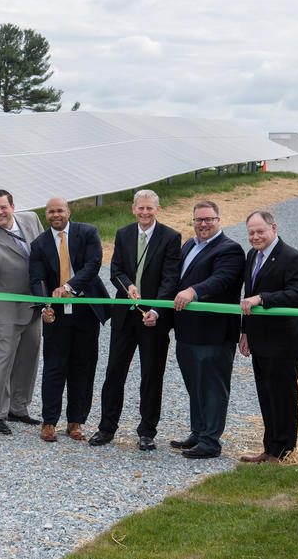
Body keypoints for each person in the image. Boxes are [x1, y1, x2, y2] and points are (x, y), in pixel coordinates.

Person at [89, 189, 181, 451]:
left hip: (154, 318)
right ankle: (107, 428)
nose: (144, 212)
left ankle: (147, 431)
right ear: (133, 209)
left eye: (149, 208)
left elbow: (170, 278)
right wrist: (127, 285)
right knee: (114, 373)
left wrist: (156, 309)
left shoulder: (171, 237)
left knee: (151, 375)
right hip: (125, 316)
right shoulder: (123, 233)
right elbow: (116, 269)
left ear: (157, 210)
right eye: (140, 208)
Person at [28, 197, 108, 442]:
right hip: (57, 313)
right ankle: (49, 422)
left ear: (68, 211)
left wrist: (69, 287)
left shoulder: (87, 232)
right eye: (51, 212)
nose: (55, 215)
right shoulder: (39, 244)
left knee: (83, 367)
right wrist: (45, 305)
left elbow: (93, 265)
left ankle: (75, 422)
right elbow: (37, 278)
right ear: (46, 215)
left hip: (85, 309)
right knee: (54, 367)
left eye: (60, 210)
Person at [171, 200, 245, 459]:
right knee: (195, 384)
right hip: (187, 331)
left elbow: (221, 279)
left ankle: (211, 442)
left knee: (213, 387)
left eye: (208, 219)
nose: (203, 224)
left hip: (214, 333)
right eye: (198, 220)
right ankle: (198, 432)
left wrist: (194, 291)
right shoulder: (189, 245)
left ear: (219, 220)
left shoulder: (230, 250)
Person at [238, 210, 298, 463]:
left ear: (274, 228)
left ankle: (283, 452)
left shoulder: (291, 257)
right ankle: (269, 449)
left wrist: (263, 298)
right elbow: (249, 294)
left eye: (260, 231)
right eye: (251, 233)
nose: (255, 237)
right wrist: (244, 331)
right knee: (266, 396)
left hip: (284, 343)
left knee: (283, 398)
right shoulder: (252, 255)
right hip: (259, 340)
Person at [0, 189, 44, 435]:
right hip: (6, 305)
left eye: (3, 207)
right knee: (5, 357)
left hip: (35, 301)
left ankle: (19, 407)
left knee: (30, 354)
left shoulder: (32, 219)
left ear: (13, 206)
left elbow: (46, 251)